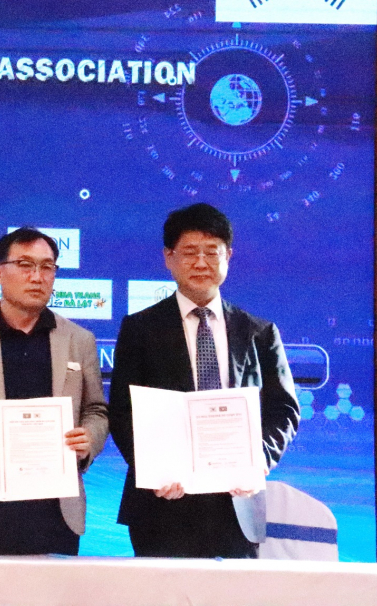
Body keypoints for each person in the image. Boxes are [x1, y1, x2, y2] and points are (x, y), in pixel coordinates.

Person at [108, 203, 300, 558]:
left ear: (228, 257)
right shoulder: (140, 330)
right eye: (189, 252)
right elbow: (122, 413)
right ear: (169, 258)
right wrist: (153, 469)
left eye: (212, 252)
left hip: (237, 504)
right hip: (162, 505)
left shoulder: (259, 332)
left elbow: (284, 410)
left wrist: (258, 460)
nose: (201, 263)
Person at [0, 227, 108, 555]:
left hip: (55, 509)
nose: (37, 277)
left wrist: (89, 438)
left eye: (47, 267)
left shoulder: (79, 339)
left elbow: (96, 410)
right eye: (25, 265)